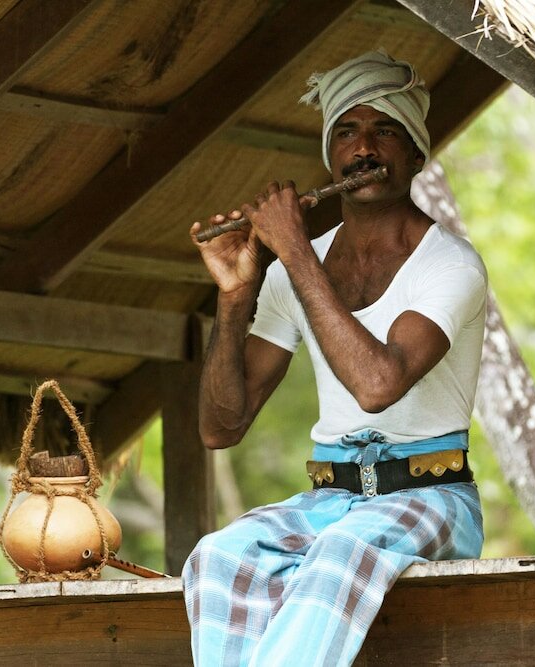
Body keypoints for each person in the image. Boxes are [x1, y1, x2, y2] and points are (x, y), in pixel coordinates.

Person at [183, 50, 488, 666]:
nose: (364, 148)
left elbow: (377, 383)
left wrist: (295, 254)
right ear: (331, 154)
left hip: (434, 499)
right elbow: (220, 427)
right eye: (347, 132)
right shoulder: (293, 270)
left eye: (385, 130)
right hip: (329, 500)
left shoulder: (452, 265)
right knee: (216, 558)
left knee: (341, 552)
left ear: (416, 153)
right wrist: (236, 294)